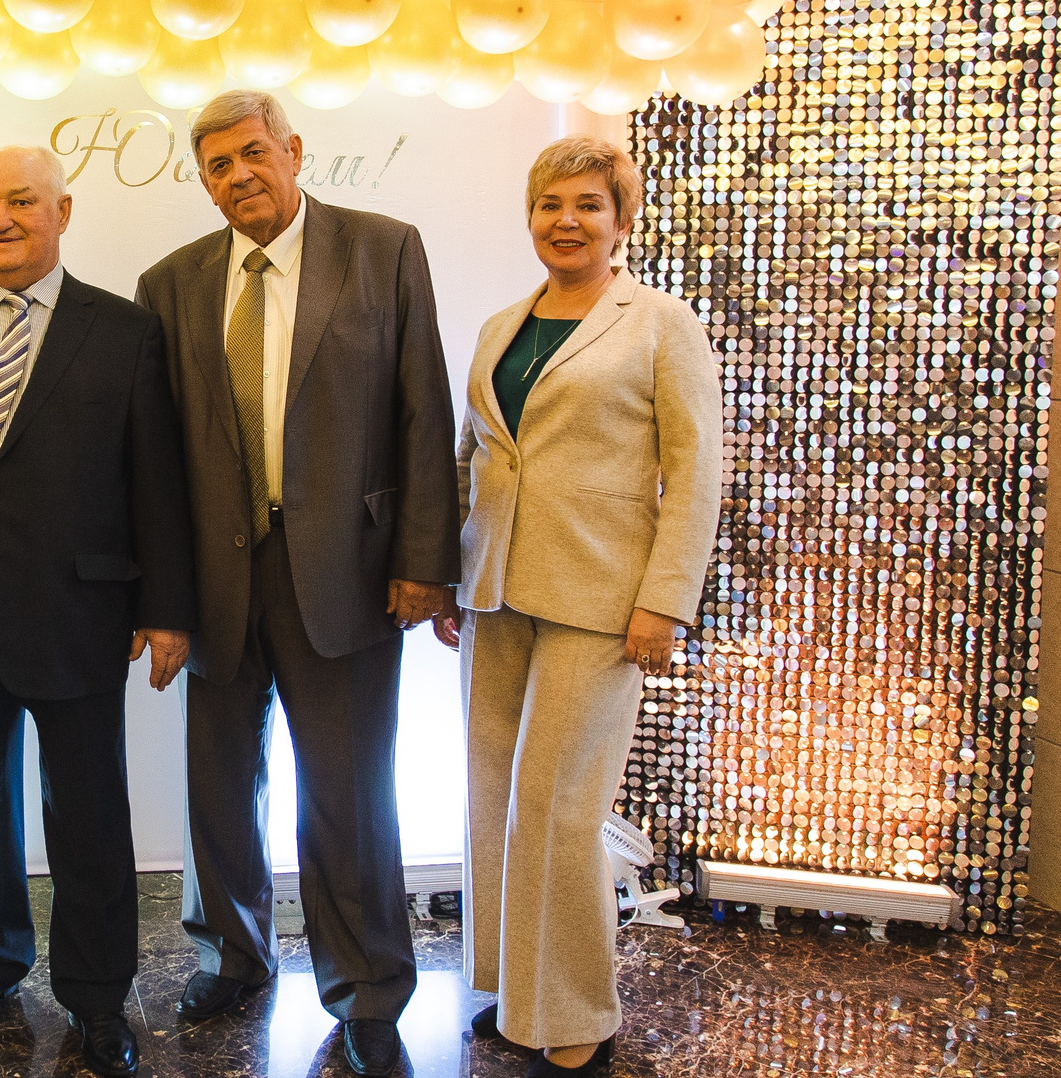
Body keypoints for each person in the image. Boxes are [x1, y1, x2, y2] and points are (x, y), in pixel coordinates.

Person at [135, 89, 461, 1078]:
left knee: (349, 792)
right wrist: (160, 599)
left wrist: (423, 561)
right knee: (219, 785)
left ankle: (367, 988)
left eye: (252, 153)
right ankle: (231, 955)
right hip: (214, 577)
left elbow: (422, 406)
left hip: (349, 573)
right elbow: (154, 459)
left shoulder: (383, 249)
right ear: (205, 183)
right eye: (217, 166)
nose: (238, 175)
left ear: (293, 150)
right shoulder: (169, 283)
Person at [0, 146, 195, 1078]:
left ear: (63, 211)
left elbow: (154, 478)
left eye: (21, 202)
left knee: (88, 811)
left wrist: (166, 609)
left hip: (78, 607)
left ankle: (96, 996)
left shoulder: (125, 330)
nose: (0, 219)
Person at [433, 135, 721, 1077]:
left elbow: (696, 472)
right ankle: (522, 994)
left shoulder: (661, 323)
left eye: (589, 205)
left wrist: (665, 602)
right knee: (495, 797)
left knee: (559, 810)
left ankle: (578, 1018)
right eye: (550, 204)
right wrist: (450, 575)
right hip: (495, 592)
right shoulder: (501, 327)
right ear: (531, 217)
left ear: (620, 219)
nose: (567, 221)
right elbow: (472, 456)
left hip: (602, 601)